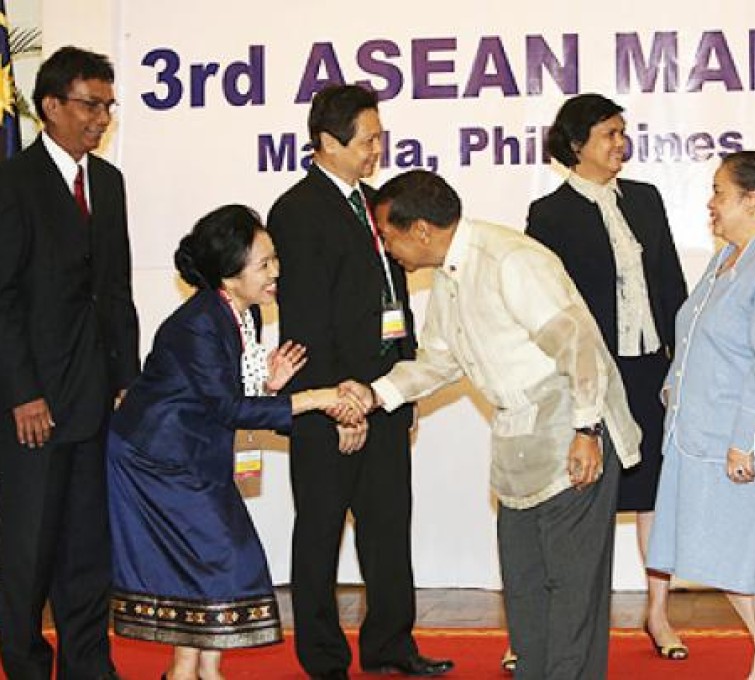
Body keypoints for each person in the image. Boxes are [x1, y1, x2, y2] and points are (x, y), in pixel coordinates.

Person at [341, 169, 641, 680]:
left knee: (571, 588)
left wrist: (587, 430)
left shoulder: (510, 260)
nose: (387, 248)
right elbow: (437, 361)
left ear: (420, 230)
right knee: (523, 581)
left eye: (387, 235)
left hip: (573, 426)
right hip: (520, 441)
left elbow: (578, 345)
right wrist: (373, 394)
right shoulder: (450, 276)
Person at [106, 205, 352, 680]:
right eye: (264, 265)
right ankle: (188, 671)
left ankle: (193, 669)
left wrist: (274, 387)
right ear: (229, 274)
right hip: (156, 460)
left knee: (210, 559)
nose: (276, 272)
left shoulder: (243, 315)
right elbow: (227, 409)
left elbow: (233, 397)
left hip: (197, 455)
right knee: (221, 556)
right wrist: (317, 398)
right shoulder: (199, 321)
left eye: (275, 259)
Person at [267, 84, 452, 679]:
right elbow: (307, 321)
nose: (378, 148)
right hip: (328, 403)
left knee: (388, 529)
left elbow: (397, 298)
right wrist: (341, 404)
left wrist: (408, 378)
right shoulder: (295, 211)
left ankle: (391, 645)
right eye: (368, 138)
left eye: (380, 136)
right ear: (328, 141)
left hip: (386, 395)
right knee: (319, 534)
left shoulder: (378, 204)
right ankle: (323, 658)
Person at [526, 93, 689, 665]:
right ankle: (547, 625)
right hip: (592, 374)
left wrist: (682, 359)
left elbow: (671, 283)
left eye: (624, 132)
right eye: (608, 135)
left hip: (649, 368)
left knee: (653, 496)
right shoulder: (549, 215)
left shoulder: (646, 199)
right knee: (579, 498)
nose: (621, 144)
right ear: (576, 146)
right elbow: (544, 304)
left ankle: (658, 612)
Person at [648, 151, 755, 680]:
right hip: (701, 432)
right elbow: (699, 332)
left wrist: (747, 440)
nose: (711, 203)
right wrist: (674, 388)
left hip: (752, 441)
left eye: (720, 192)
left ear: (752, 200)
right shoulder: (731, 253)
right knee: (712, 556)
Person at [0, 46, 139, 680]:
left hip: (94, 398)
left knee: (89, 550)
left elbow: (116, 290)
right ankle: (26, 665)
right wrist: (22, 391)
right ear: (50, 105)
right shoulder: (13, 182)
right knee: (28, 552)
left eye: (109, 105)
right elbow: (3, 298)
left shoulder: (107, 183)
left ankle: (90, 666)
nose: (101, 118)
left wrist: (126, 380)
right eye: (90, 104)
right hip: (35, 404)